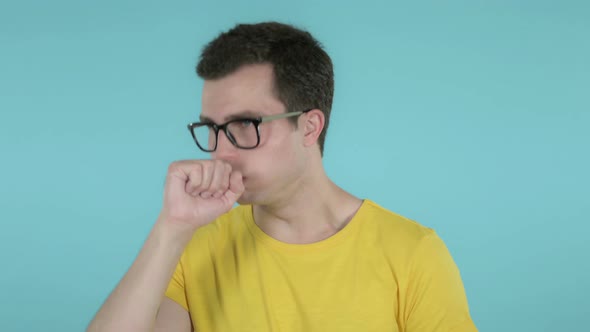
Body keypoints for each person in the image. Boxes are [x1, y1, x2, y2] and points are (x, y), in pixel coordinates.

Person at [87, 21, 477, 332]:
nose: (222, 150)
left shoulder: (413, 254)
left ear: (309, 127)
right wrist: (171, 227)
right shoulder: (194, 248)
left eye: (244, 124)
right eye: (211, 127)